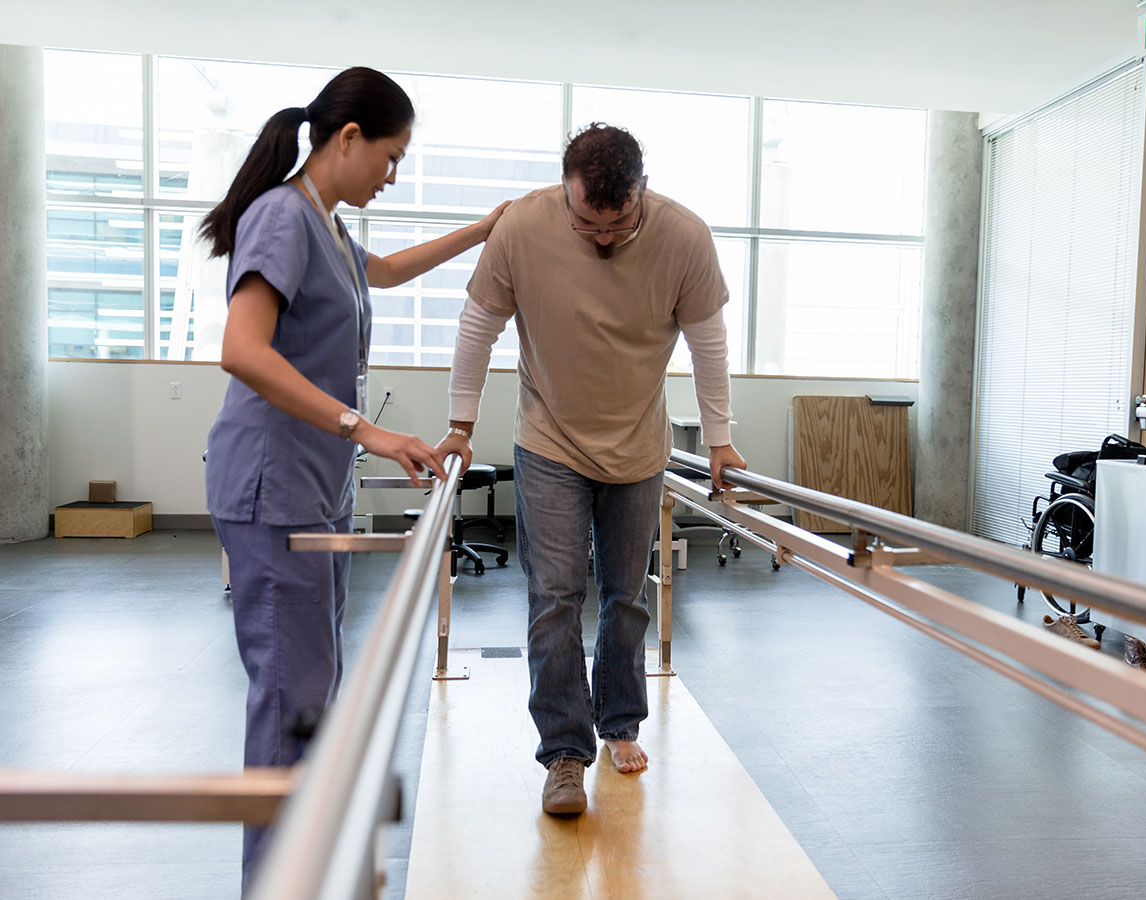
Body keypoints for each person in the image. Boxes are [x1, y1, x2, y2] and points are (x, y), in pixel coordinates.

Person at [199, 66, 506, 888]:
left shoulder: (326, 227)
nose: (393, 173)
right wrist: (366, 429)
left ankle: (307, 859)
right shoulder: (282, 217)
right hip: (272, 488)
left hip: (309, 486)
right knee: (289, 695)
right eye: (392, 155)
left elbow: (393, 272)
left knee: (316, 679)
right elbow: (243, 349)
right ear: (347, 139)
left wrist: (484, 231)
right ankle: (276, 879)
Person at [437, 122, 745, 816]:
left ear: (642, 192)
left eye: (618, 225)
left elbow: (709, 342)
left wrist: (720, 439)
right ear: (566, 193)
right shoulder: (522, 227)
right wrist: (459, 425)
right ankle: (565, 753)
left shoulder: (685, 236)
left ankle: (619, 723)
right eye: (586, 224)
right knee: (554, 593)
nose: (602, 238)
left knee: (626, 594)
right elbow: (478, 325)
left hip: (638, 446)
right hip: (549, 440)